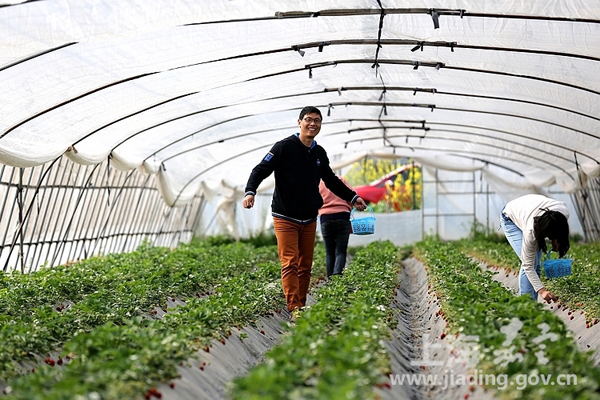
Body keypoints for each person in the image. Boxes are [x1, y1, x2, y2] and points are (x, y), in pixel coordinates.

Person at [243, 106, 367, 321]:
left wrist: (353, 197)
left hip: (309, 217)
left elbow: (330, 180)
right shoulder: (283, 147)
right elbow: (260, 169)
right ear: (299, 122)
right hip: (284, 216)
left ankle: (301, 304)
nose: (313, 124)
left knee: (305, 264)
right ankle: (294, 308)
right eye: (308, 120)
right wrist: (250, 192)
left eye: (317, 120)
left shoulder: (319, 152)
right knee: (289, 261)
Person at [500, 194, 570, 302]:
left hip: (528, 207)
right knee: (531, 263)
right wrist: (542, 291)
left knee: (536, 264)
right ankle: (527, 306)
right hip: (510, 218)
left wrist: (556, 240)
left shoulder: (562, 214)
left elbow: (558, 227)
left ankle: (533, 306)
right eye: (547, 236)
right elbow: (527, 265)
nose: (548, 238)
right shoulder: (530, 232)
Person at [318, 176, 353, 279]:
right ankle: (337, 277)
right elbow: (352, 196)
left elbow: (314, 200)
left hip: (325, 218)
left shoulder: (319, 184)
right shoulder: (340, 180)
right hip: (343, 216)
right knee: (341, 251)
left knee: (329, 252)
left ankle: (330, 280)